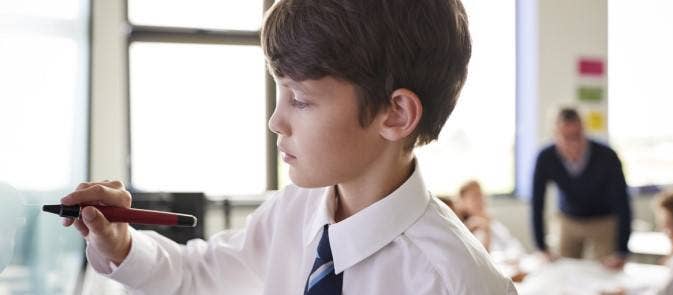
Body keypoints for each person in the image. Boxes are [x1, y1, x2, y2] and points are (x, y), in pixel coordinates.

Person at [59, 0, 517, 294]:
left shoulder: (457, 283)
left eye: (300, 99)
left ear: (395, 115)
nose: (276, 120)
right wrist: (119, 243)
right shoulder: (297, 208)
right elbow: (200, 275)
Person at [531, 108, 632, 268]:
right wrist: (541, 247)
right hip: (568, 221)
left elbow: (623, 202)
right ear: (555, 135)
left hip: (603, 222)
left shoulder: (607, 156)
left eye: (577, 136)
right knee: (564, 272)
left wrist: (622, 250)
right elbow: (537, 203)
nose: (573, 143)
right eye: (566, 137)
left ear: (584, 130)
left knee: (603, 275)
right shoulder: (546, 158)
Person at [452, 180, 525, 258]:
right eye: (474, 197)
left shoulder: (492, 222)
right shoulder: (463, 228)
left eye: (481, 196)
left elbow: (514, 246)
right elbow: (481, 259)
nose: (480, 200)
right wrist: (486, 231)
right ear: (462, 201)